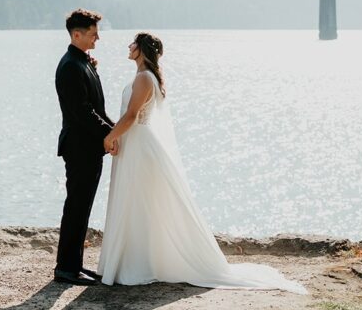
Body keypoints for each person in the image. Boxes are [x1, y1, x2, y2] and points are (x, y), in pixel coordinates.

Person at [97, 32, 307, 293]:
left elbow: (131, 116)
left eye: (133, 43)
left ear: (141, 50)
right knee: (138, 202)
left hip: (139, 144)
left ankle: (135, 264)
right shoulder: (146, 76)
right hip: (136, 143)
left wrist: (110, 137)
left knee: (137, 201)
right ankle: (135, 261)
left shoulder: (143, 78)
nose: (128, 46)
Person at [53, 8, 115, 285]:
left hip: (88, 147)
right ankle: (66, 269)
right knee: (76, 207)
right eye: (92, 34)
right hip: (79, 147)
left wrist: (114, 130)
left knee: (82, 206)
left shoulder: (82, 62)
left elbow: (97, 108)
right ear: (76, 34)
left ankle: (74, 264)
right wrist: (111, 134)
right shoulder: (70, 66)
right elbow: (83, 112)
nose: (97, 38)